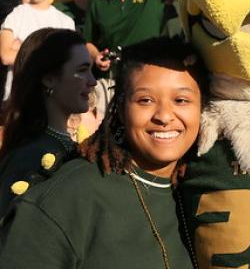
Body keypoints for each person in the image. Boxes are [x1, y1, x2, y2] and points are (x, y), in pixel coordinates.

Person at [0, 37, 201, 268]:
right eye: (145, 100)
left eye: (181, 100)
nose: (164, 116)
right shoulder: (68, 197)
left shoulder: (202, 186)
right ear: (122, 109)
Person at [0, 28, 96, 217]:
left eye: (91, 70)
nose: (92, 81)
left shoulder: (54, 143)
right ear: (49, 79)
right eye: (82, 70)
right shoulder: (33, 155)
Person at [0, 0, 75, 100]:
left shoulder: (65, 22)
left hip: (52, 98)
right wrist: (48, 53)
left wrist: (22, 49)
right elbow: (5, 56)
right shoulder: (15, 15)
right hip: (17, 98)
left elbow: (67, 60)